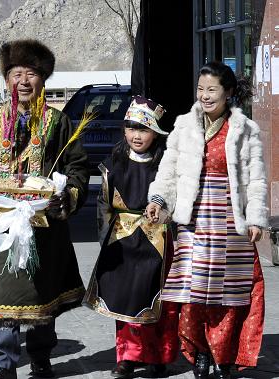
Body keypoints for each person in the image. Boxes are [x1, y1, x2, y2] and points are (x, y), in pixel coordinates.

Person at [0, 39, 89, 379]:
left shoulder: (58, 123)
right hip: (0, 228)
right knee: (4, 298)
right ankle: (2, 365)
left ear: (43, 79)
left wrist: (65, 195)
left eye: (32, 74)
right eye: (17, 74)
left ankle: (41, 357)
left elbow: (77, 168)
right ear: (6, 79)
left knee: (43, 295)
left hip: (45, 228)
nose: (24, 81)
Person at [146, 61, 268, 379]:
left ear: (227, 92)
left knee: (230, 295)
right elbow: (169, 170)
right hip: (194, 223)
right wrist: (159, 200)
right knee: (192, 295)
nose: (205, 95)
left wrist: (255, 217)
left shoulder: (244, 131)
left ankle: (225, 356)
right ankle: (199, 351)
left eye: (211, 89)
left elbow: (255, 178)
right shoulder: (185, 126)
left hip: (231, 224)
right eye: (200, 89)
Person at [83, 96, 179, 378]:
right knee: (123, 299)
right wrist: (105, 239)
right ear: (124, 130)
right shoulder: (113, 164)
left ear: (156, 133)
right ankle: (126, 357)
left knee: (157, 300)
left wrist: (165, 215)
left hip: (157, 239)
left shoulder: (165, 166)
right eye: (131, 128)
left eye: (144, 129)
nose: (137, 136)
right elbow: (103, 204)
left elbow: (175, 199)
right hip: (122, 239)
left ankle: (157, 357)